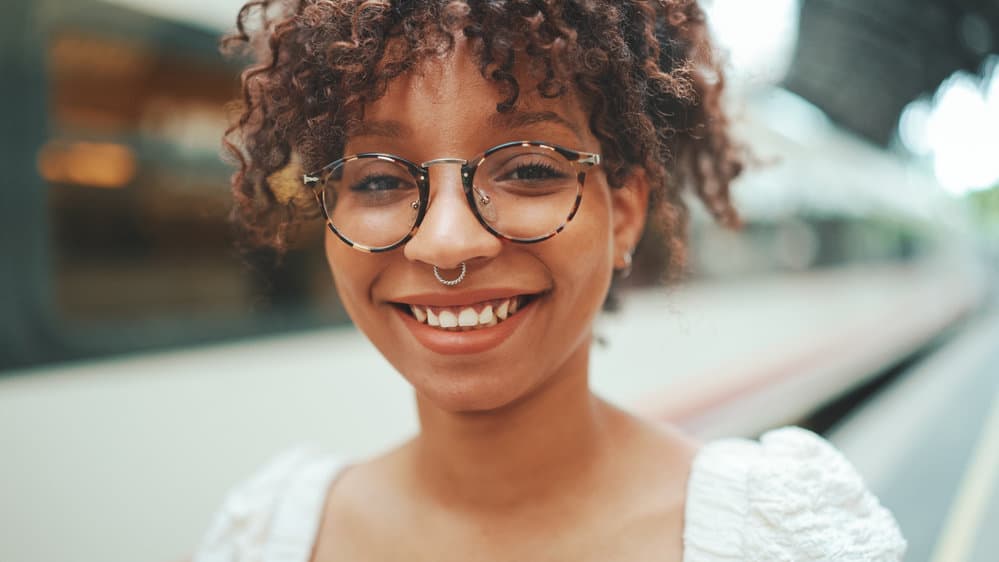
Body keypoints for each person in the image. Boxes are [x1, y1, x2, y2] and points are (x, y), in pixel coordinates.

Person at [196, 1, 906, 560]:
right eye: (378, 179)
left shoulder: (781, 537)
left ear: (624, 215)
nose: (446, 241)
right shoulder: (265, 535)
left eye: (530, 169)